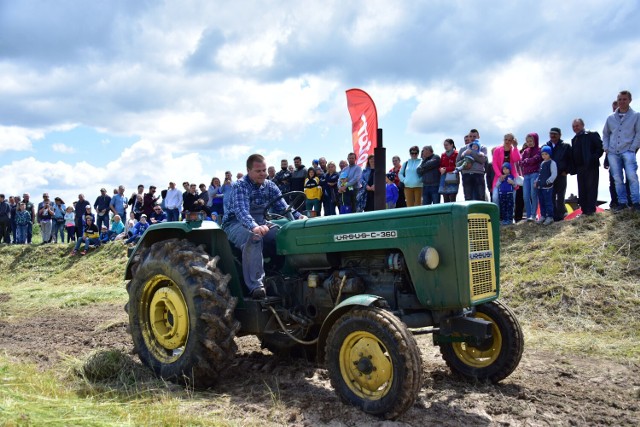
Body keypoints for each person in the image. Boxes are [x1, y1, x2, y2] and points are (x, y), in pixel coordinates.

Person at [222, 154, 306, 299]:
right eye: (258, 171)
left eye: (264, 170)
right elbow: (241, 211)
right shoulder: (240, 185)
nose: (262, 173)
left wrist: (300, 217)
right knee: (254, 237)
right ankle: (256, 286)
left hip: (260, 222)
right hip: (235, 224)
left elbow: (284, 207)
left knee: (283, 234)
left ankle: (282, 274)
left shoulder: (270, 185)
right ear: (249, 171)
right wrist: (254, 226)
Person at [603, 90, 640, 211]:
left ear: (630, 100)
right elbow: (606, 134)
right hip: (613, 152)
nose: (622, 102)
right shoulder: (610, 118)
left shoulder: (636, 115)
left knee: (632, 176)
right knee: (617, 178)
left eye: (624, 99)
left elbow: (638, 133)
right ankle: (622, 202)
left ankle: (636, 202)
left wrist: (632, 148)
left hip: (628, 150)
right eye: (620, 99)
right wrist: (607, 148)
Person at [571, 118, 604, 216]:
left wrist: (593, 158)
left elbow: (600, 147)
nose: (575, 128)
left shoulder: (591, 134)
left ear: (582, 125)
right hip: (580, 168)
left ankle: (591, 210)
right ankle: (584, 211)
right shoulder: (574, 139)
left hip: (591, 166)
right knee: (582, 189)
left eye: (577, 126)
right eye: (573, 126)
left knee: (591, 187)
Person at [545, 127, 573, 221]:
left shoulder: (566, 146)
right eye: (551, 134)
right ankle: (553, 215)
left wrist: (567, 171)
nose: (552, 136)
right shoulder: (546, 147)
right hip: (549, 176)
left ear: (560, 135)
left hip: (561, 174)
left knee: (561, 195)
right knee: (551, 195)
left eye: (555, 134)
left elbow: (571, 160)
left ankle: (561, 215)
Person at [491, 134, 522, 206]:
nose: (507, 142)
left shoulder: (513, 149)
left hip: (511, 177)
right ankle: (497, 215)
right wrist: (500, 175)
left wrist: (515, 147)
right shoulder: (497, 150)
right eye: (506, 139)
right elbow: (494, 163)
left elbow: (516, 159)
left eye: (509, 140)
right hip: (499, 177)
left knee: (511, 198)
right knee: (495, 197)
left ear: (512, 141)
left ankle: (510, 216)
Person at [458, 131, 488, 201]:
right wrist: (465, 166)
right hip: (466, 175)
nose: (472, 138)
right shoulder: (463, 149)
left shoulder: (483, 148)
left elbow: (483, 160)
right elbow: (458, 162)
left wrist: (472, 152)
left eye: (474, 136)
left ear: (478, 137)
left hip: (478, 174)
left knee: (480, 197)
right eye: (470, 136)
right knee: (468, 198)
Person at [520, 133, 542, 221]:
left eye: (531, 141)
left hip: (535, 174)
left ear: (535, 140)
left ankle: (533, 215)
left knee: (534, 194)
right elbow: (521, 163)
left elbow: (536, 159)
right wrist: (529, 161)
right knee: (525, 196)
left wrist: (527, 161)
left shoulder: (539, 150)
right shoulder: (526, 151)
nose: (529, 143)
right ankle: (529, 215)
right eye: (527, 141)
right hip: (526, 175)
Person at [535, 146, 558, 225]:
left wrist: (549, 181)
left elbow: (554, 173)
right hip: (540, 186)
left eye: (546, 154)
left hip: (547, 187)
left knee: (548, 202)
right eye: (542, 154)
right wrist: (536, 181)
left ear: (549, 154)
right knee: (541, 202)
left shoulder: (552, 163)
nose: (544, 156)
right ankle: (543, 215)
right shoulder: (542, 163)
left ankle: (550, 216)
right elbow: (540, 174)